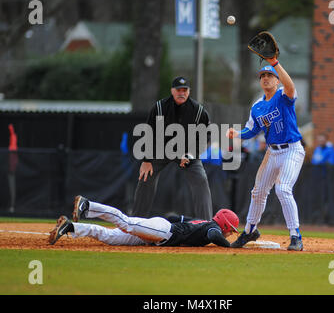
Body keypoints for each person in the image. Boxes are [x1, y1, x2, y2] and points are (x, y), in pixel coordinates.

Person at [226, 58, 305, 251]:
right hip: (272, 152)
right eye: (263, 76)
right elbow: (251, 131)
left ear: (277, 80)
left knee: (283, 189)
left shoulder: (283, 96)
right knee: (258, 192)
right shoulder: (257, 106)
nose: (266, 78)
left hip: (292, 149)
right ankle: (250, 230)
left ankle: (296, 237)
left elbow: (291, 86)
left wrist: (275, 63)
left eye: (270, 75)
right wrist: (237, 134)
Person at [133, 76, 213, 220]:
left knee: (200, 179)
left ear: (189, 91)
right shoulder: (159, 107)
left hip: (187, 152)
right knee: (145, 176)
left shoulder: (199, 111)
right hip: (161, 151)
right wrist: (146, 160)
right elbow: (148, 133)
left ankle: (206, 225)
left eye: (184, 90)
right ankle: (136, 223)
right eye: (178, 90)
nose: (181, 93)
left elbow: (204, 138)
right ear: (172, 91)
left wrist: (190, 154)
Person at [48, 195, 239, 248]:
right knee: (127, 223)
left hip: (156, 234)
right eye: (230, 229)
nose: (230, 233)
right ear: (223, 223)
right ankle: (88, 205)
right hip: (164, 232)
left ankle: (70, 226)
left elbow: (175, 217)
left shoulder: (205, 223)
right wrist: (234, 245)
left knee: (111, 238)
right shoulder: (213, 228)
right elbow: (215, 235)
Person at [8, 124, 18, 213]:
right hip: (10, 173)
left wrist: (11, 130)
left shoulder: (13, 153)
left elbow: (13, 138)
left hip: (13, 173)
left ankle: (12, 206)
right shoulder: (12, 152)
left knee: (12, 190)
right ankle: (11, 206)